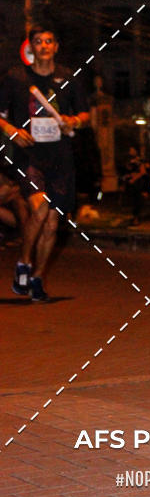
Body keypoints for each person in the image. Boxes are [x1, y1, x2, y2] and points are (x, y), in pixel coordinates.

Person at [0, 23, 89, 301]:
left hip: (60, 158)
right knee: (39, 208)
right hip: (29, 156)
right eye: (38, 41)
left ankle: (36, 278)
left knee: (52, 223)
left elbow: (85, 114)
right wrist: (12, 131)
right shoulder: (16, 77)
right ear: (31, 47)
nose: (44, 46)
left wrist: (74, 120)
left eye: (49, 41)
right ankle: (23, 263)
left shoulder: (68, 79)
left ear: (56, 46)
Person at [121, 145, 150, 226]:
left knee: (137, 201)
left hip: (138, 184)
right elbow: (126, 172)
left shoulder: (139, 161)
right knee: (132, 200)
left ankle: (136, 217)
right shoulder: (128, 161)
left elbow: (143, 172)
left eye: (132, 150)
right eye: (129, 150)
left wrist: (134, 178)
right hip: (131, 184)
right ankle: (134, 217)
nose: (130, 152)